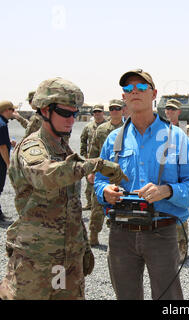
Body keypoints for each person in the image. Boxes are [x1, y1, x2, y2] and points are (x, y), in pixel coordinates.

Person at [0, 77, 128, 300]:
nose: (71, 119)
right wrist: (94, 164)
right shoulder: (33, 146)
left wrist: (83, 245)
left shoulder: (61, 146)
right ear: (44, 110)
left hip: (67, 258)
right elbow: (46, 175)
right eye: (64, 113)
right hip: (37, 260)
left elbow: (69, 205)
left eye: (75, 113)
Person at [94, 68, 189, 300]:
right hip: (120, 234)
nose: (134, 92)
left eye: (141, 87)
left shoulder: (176, 137)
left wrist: (166, 191)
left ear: (154, 93)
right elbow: (99, 180)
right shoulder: (113, 139)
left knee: (168, 298)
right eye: (128, 89)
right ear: (124, 97)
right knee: (125, 296)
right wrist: (103, 191)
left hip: (161, 232)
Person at [87, 99, 125, 246]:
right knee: (97, 205)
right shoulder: (101, 129)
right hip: (102, 173)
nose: (115, 111)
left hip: (119, 174)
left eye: (117, 108)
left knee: (120, 204)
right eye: (112, 109)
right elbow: (93, 152)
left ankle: (117, 237)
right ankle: (93, 234)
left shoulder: (127, 128)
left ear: (122, 110)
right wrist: (91, 172)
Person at [164, 98, 189, 264]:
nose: (170, 112)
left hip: (180, 173)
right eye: (168, 109)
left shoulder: (183, 128)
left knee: (180, 210)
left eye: (173, 109)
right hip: (165, 173)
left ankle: (182, 248)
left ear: (179, 112)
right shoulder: (160, 127)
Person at [80, 104, 107, 210]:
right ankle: (90, 204)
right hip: (92, 158)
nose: (97, 114)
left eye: (99, 112)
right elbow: (83, 140)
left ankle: (104, 204)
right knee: (90, 182)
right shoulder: (88, 127)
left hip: (105, 158)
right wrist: (84, 154)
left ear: (103, 113)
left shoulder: (108, 125)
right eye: (95, 112)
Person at [0, 101, 17, 221]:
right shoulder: (1, 125)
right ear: (6, 110)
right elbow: (2, 147)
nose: (13, 112)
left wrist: (8, 142)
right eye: (12, 110)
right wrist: (8, 163)